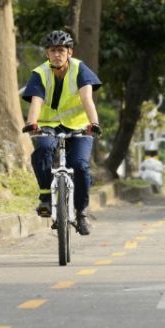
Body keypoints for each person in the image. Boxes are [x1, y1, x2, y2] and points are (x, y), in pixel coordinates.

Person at [21, 30, 101, 236]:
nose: (57, 54)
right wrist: (32, 122)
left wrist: (94, 123)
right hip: (48, 125)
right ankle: (46, 196)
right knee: (43, 149)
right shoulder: (39, 73)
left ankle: (81, 212)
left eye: (61, 50)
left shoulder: (79, 69)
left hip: (79, 126)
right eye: (53, 50)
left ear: (69, 52)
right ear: (47, 53)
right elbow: (36, 101)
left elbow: (87, 99)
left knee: (80, 165)